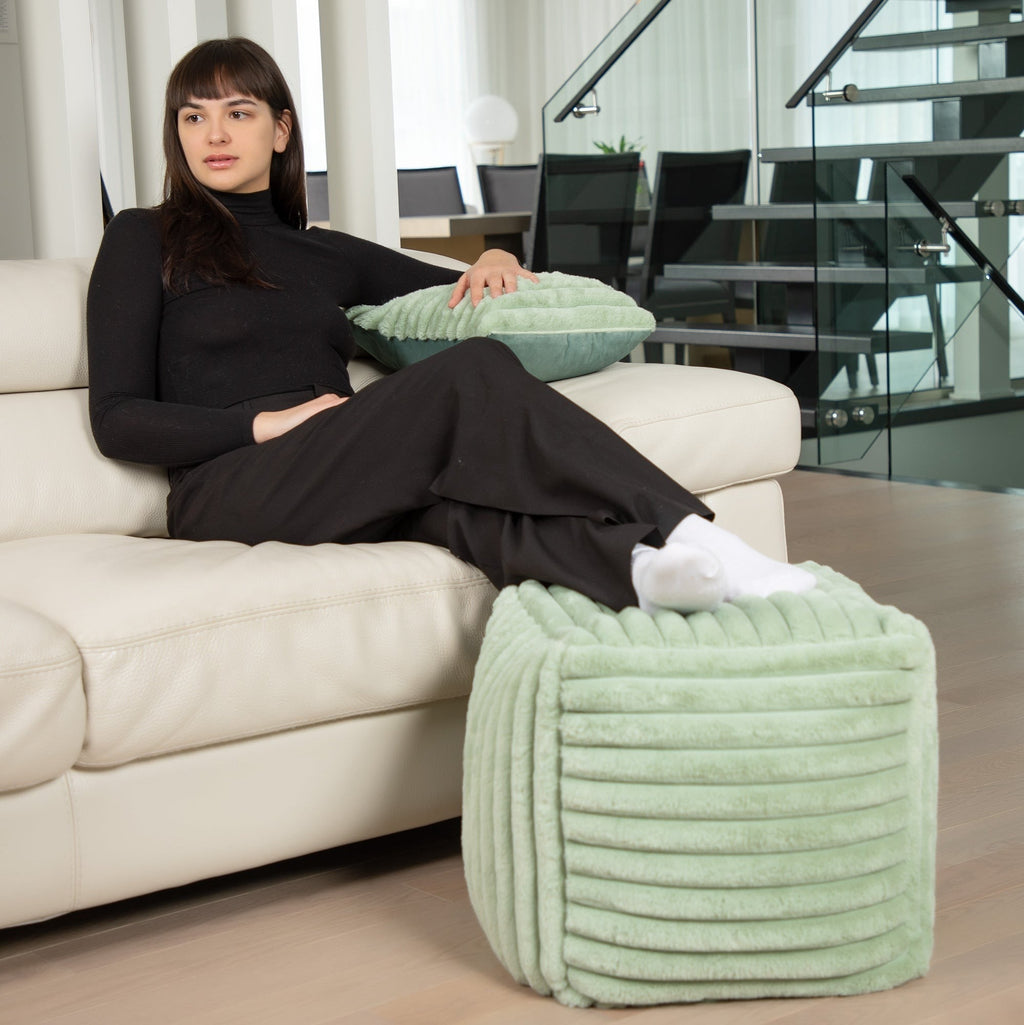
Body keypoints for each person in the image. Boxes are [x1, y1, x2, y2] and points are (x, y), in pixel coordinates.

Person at [87, 36, 815, 615]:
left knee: (470, 508)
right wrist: (262, 426)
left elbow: (452, 287)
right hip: (227, 485)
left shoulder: (327, 251)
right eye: (193, 115)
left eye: (237, 112)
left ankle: (648, 573)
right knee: (472, 370)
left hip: (338, 462)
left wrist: (495, 254)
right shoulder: (142, 236)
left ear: (280, 131)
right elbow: (117, 419)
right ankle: (696, 531)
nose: (213, 133)